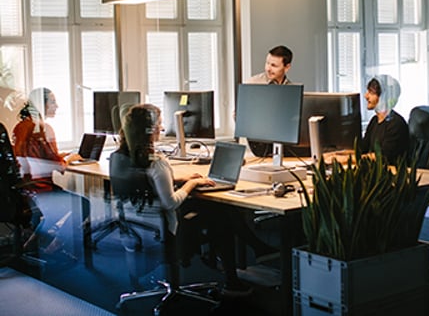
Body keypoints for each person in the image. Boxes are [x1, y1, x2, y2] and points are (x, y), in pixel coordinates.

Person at [116, 103, 271, 296]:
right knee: (220, 214)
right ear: (150, 130)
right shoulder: (156, 162)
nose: (162, 129)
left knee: (215, 209)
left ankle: (254, 252)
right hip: (167, 236)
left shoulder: (120, 157)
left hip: (139, 231)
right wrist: (191, 185)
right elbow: (170, 203)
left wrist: (179, 179)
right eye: (160, 124)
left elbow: (148, 182)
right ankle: (235, 278)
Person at [12, 87, 82, 191]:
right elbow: (59, 166)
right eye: (53, 102)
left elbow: (34, 156)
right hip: (41, 190)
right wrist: (71, 158)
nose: (57, 106)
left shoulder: (19, 127)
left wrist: (60, 155)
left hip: (24, 190)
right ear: (41, 105)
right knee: (84, 202)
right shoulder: (44, 129)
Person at [360, 75, 409, 165]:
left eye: (371, 92)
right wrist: (335, 155)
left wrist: (345, 159)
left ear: (384, 97)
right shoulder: (374, 121)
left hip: (388, 175)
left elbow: (382, 156)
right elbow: (362, 149)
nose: (366, 96)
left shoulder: (396, 124)